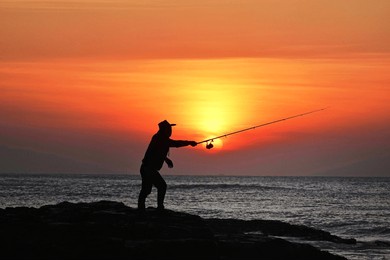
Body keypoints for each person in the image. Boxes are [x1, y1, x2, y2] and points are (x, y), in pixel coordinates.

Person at [138, 120, 197, 211]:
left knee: (146, 190)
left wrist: (166, 159)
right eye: (169, 128)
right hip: (148, 169)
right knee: (161, 186)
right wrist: (189, 142)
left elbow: (157, 151)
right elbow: (176, 144)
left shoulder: (159, 138)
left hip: (146, 168)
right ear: (164, 129)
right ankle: (159, 208)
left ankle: (141, 209)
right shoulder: (161, 138)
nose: (170, 130)